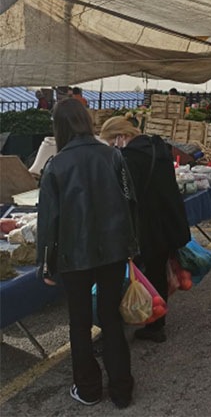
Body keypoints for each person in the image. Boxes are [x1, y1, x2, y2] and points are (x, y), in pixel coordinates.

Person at [37, 99, 136, 408]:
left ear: (59, 127)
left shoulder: (55, 166)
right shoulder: (113, 156)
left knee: (79, 323)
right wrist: (132, 246)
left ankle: (89, 389)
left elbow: (49, 221)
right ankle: (122, 389)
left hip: (73, 257)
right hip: (114, 250)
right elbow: (130, 201)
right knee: (110, 316)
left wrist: (47, 266)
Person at [99, 117, 190, 342]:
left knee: (142, 272)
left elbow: (127, 195)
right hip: (167, 220)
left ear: (121, 136)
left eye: (112, 142)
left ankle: (149, 321)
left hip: (147, 225)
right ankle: (156, 321)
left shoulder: (129, 158)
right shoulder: (158, 147)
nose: (113, 147)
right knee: (157, 270)